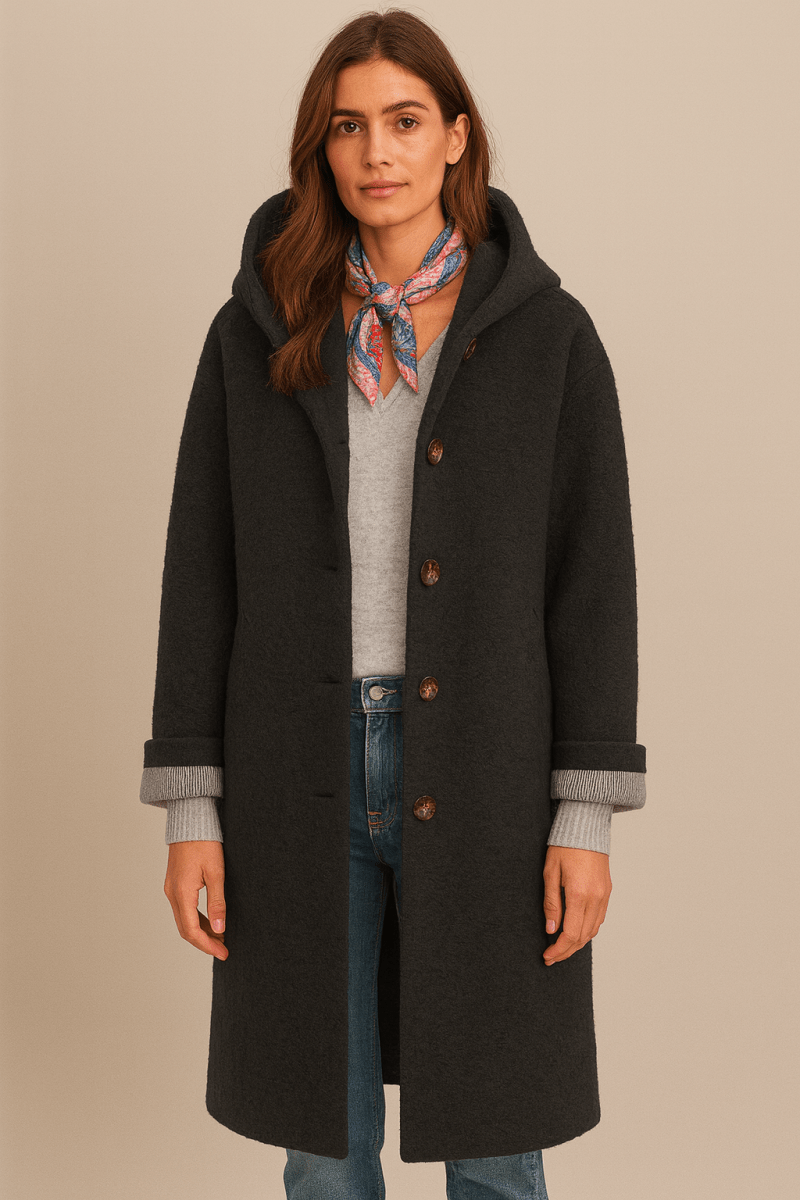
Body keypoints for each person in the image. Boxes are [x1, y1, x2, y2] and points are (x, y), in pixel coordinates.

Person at [139, 9, 647, 1198]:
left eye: (405, 121)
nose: (377, 151)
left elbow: (592, 586)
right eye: (348, 126)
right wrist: (190, 810)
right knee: (323, 1146)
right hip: (294, 771)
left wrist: (583, 819)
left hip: (486, 773)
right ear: (319, 149)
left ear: (455, 137)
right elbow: (199, 573)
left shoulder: (547, 341)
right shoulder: (256, 334)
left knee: (494, 1137)